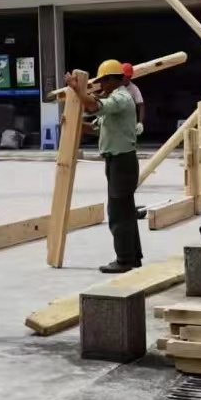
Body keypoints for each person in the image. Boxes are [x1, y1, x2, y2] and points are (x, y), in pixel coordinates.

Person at [66, 59, 143, 273]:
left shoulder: (120, 98)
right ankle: (132, 257)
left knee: (118, 213)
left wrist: (77, 89)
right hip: (117, 160)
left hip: (122, 161)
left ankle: (124, 259)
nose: (100, 86)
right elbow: (98, 127)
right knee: (126, 211)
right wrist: (75, 125)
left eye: (102, 81)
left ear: (111, 80)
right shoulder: (115, 100)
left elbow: (93, 106)